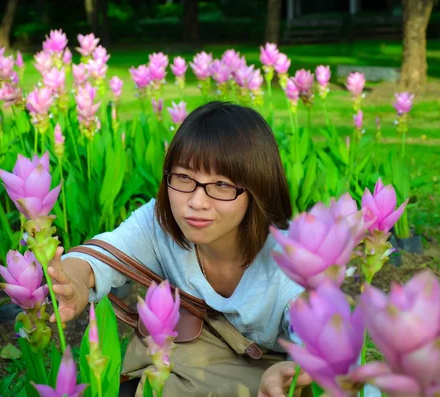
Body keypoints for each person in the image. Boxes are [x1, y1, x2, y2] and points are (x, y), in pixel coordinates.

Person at [48, 101, 313, 396]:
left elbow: (318, 341)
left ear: (258, 189)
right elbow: (103, 255)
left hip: (268, 365)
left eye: (222, 185)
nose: (197, 202)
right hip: (197, 350)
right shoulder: (161, 221)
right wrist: (73, 280)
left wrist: (292, 371)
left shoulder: (290, 261)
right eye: (185, 178)